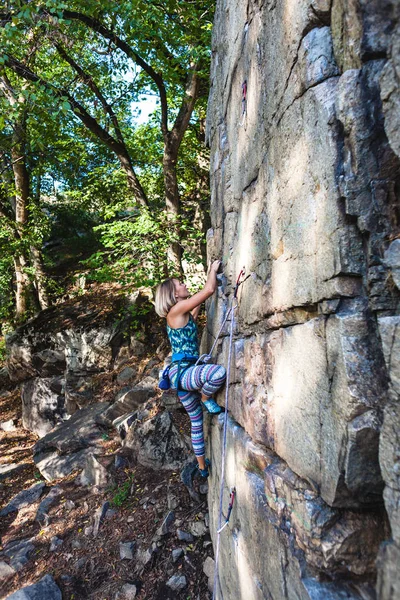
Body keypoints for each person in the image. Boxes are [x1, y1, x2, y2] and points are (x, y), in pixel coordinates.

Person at [154, 260, 226, 478]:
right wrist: (212, 271)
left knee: (196, 422)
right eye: (180, 284)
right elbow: (209, 290)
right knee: (218, 373)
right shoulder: (175, 310)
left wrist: (204, 294)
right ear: (174, 295)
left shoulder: (180, 314)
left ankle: (202, 467)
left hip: (183, 375)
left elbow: (195, 312)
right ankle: (205, 398)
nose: (184, 284)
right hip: (184, 374)